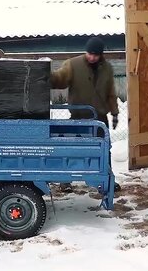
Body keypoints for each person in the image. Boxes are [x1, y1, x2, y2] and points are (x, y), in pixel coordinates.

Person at [51, 37, 120, 192]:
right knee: (71, 149)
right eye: (89, 53)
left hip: (99, 118)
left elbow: (111, 92)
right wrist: (47, 76)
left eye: (95, 55)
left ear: (101, 55)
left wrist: (115, 113)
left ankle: (107, 180)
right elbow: (60, 79)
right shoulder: (73, 65)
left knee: (104, 150)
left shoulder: (107, 68)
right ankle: (65, 180)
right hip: (78, 117)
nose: (91, 57)